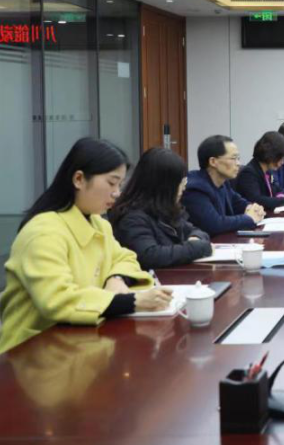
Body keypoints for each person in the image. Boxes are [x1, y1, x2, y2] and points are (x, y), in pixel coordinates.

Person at [0, 138, 173, 353]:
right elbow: (58, 300)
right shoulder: (43, 232)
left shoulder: (98, 223)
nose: (117, 193)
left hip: (81, 342)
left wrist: (116, 278)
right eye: (111, 183)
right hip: (31, 352)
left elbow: (125, 257)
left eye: (120, 185)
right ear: (79, 179)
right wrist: (133, 301)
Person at [110, 147, 213, 269]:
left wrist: (196, 238)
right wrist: (195, 248)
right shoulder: (133, 217)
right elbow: (150, 256)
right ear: (166, 186)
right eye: (181, 183)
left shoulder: (164, 209)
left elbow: (195, 230)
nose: (183, 188)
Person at [182, 135, 265, 236]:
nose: (238, 164)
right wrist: (249, 218)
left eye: (238, 158)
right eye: (233, 158)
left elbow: (238, 203)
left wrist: (253, 208)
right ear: (213, 161)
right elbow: (214, 224)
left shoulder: (223, 182)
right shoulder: (196, 188)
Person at [236, 132, 284, 212]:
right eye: (282, 158)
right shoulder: (249, 173)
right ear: (271, 155)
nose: (283, 162)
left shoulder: (267, 171)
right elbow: (258, 200)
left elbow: (278, 190)